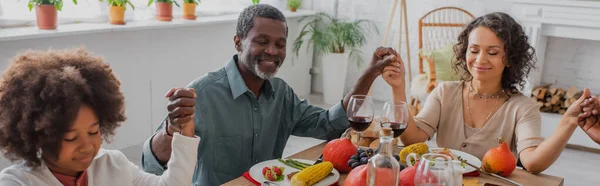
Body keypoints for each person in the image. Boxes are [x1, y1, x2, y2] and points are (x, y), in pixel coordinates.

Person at [141, 4, 399, 185]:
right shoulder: (203, 94)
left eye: (279, 44)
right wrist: (172, 129)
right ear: (238, 42)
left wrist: (369, 74)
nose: (272, 51)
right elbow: (150, 164)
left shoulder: (282, 94)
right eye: (261, 41)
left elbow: (329, 125)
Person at [382, 12, 593, 174]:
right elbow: (412, 139)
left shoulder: (523, 107)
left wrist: (568, 123)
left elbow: (532, 163)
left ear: (510, 58)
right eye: (473, 50)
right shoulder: (444, 92)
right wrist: (398, 88)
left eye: (492, 52)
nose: (480, 59)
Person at [0, 48, 200, 186]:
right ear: (39, 136)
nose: (87, 146)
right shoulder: (17, 182)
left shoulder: (113, 164)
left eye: (93, 131)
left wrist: (184, 131)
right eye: (71, 137)